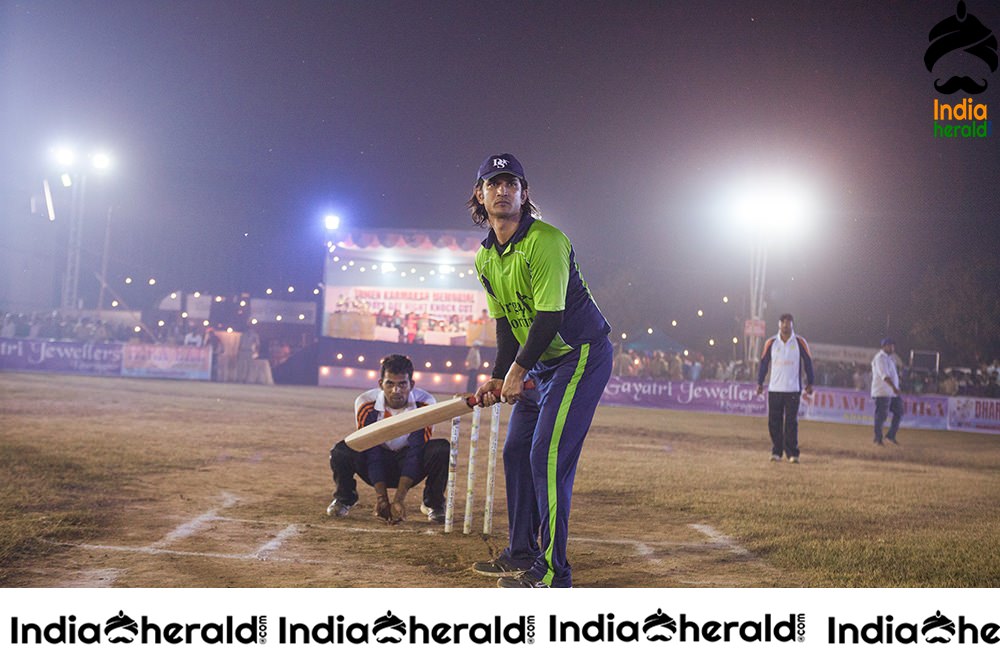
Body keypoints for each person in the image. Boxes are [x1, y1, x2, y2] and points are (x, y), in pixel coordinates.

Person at [467, 153, 613, 588]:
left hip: (578, 356)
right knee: (516, 451)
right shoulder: (485, 259)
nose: (502, 190)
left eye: (511, 183)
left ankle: (552, 572)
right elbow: (507, 322)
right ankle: (521, 551)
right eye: (493, 183)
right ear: (480, 194)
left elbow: (549, 316)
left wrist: (516, 372)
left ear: (524, 193)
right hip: (542, 364)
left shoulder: (545, 240)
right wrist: (499, 372)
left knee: (546, 456)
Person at [326, 354, 449, 524]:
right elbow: (371, 451)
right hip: (376, 462)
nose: (396, 391)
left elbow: (416, 452)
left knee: (442, 449)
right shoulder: (365, 404)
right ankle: (345, 498)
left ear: (411, 385)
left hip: (409, 462)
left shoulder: (426, 404)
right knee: (341, 450)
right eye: (390, 384)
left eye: (402, 384)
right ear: (380, 384)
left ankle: (433, 503)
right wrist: (381, 498)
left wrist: (398, 500)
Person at [756, 313, 815, 463]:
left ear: (792, 325)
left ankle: (792, 453)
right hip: (774, 388)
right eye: (783, 322)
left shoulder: (800, 342)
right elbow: (764, 364)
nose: (785, 325)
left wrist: (810, 382)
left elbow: (808, 362)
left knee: (791, 422)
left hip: (793, 389)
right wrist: (759, 383)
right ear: (779, 324)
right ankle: (776, 451)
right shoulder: (771, 342)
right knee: (773, 422)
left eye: (788, 322)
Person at [871, 337, 903, 445]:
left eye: (893, 345)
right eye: (889, 345)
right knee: (881, 415)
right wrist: (894, 387)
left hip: (892, 392)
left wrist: (895, 388)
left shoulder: (890, 359)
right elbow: (884, 376)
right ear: (884, 346)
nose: (892, 347)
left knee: (899, 412)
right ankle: (877, 439)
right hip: (882, 391)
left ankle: (890, 435)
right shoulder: (880, 358)